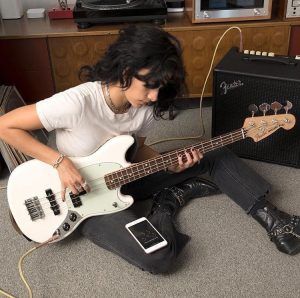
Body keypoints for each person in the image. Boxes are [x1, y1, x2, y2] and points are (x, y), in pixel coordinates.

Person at [0, 24, 299, 274]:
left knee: (214, 152)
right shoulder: (77, 102)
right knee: (159, 256)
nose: (155, 96)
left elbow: (137, 151)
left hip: (125, 175)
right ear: (126, 70)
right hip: (84, 203)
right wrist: (59, 162)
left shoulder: (143, 106)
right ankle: (167, 203)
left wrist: (170, 165)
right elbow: (5, 126)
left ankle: (274, 219)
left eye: (161, 87)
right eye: (149, 85)